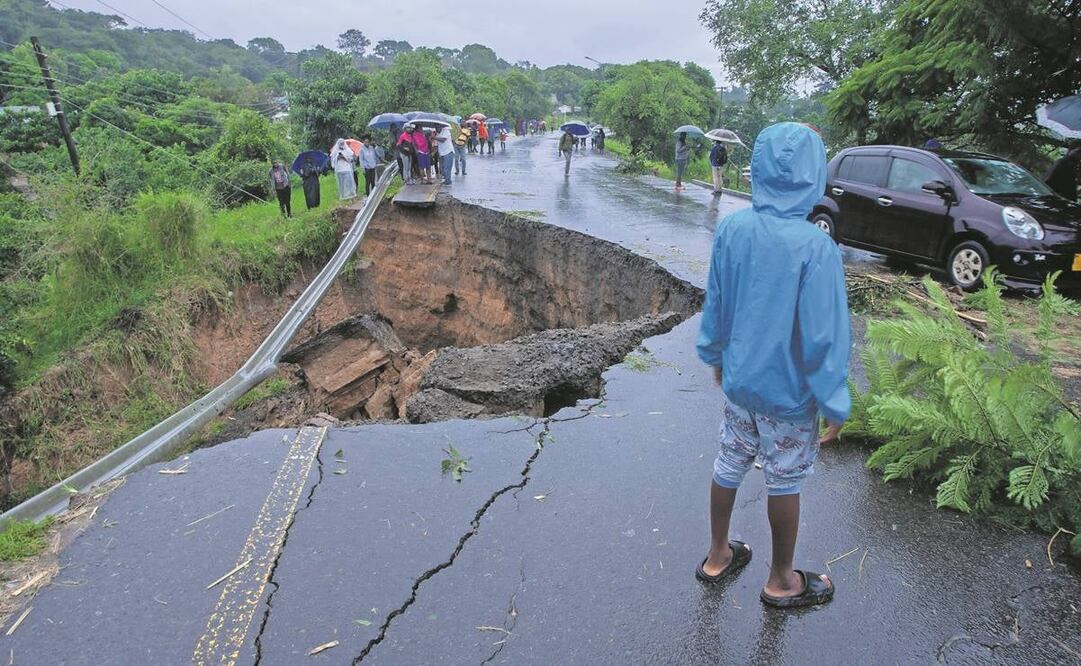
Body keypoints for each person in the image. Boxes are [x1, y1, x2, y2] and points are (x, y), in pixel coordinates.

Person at [695, 122, 849, 609]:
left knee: (729, 462)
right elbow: (823, 335)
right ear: (814, 173)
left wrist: (716, 356)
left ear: (758, 167)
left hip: (741, 383)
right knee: (784, 479)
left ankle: (718, 555)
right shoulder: (816, 247)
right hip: (789, 395)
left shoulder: (732, 229)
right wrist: (834, 401)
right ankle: (781, 580)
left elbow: (717, 301)